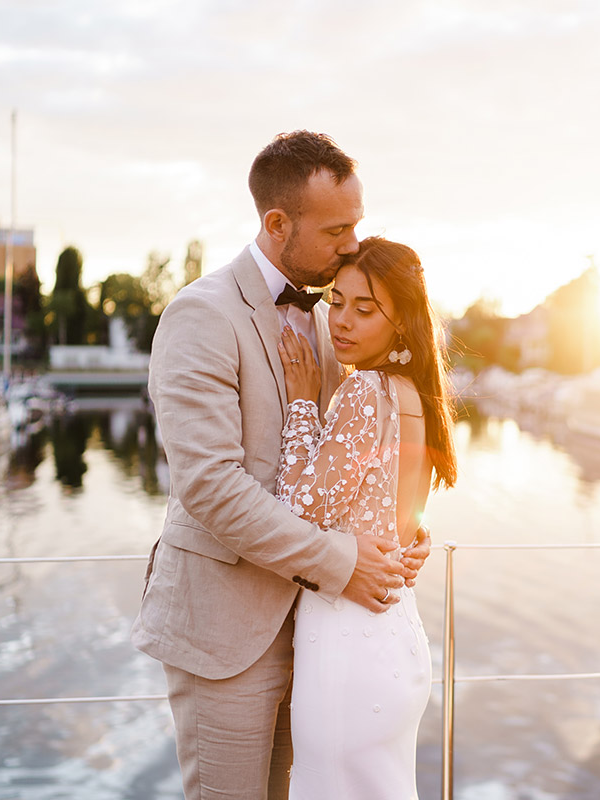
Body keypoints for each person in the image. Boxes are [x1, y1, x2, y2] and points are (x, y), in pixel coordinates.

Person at [131, 131, 432, 800]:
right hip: (226, 634)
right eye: (338, 228)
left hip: (321, 638)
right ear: (277, 223)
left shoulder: (333, 322)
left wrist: (403, 533)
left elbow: (355, 458)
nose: (353, 244)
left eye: (357, 223)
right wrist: (345, 563)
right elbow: (211, 488)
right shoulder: (200, 316)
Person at [275, 236, 457, 799]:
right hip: (397, 635)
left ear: (400, 321)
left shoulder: (364, 392)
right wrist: (416, 538)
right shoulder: (416, 394)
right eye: (337, 301)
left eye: (365, 308)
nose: (342, 322)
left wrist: (304, 400)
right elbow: (401, 513)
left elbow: (296, 508)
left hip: (348, 637)